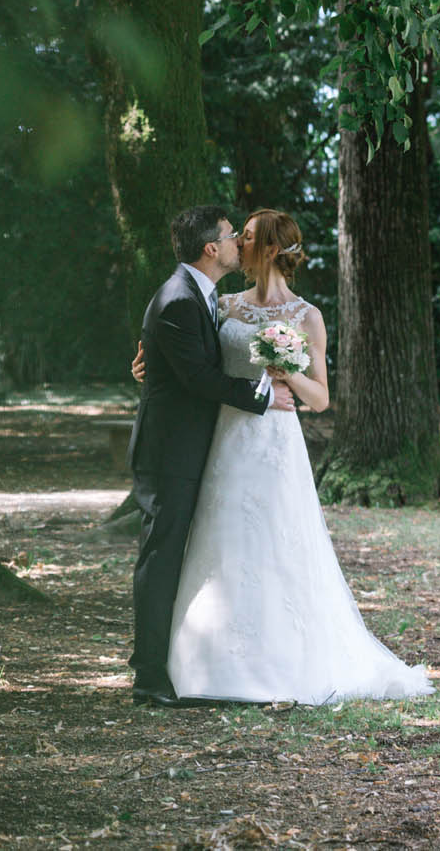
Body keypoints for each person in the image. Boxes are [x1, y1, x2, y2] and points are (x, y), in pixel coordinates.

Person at [133, 208, 435, 704]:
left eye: (247, 237)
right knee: (221, 543)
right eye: (236, 236)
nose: (239, 244)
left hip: (275, 443)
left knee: (275, 545)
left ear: (269, 249)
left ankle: (279, 658)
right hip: (223, 441)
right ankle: (200, 661)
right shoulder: (223, 304)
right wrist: (150, 363)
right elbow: (189, 354)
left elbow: (319, 398)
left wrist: (284, 372)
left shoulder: (305, 316)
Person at [127, 205, 293, 707]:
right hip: (169, 452)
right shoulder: (179, 299)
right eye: (229, 236)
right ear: (210, 248)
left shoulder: (203, 296)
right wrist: (262, 397)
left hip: (195, 446)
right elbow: (198, 377)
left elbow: (187, 359)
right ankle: (150, 677)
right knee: (160, 558)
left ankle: (182, 663)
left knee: (183, 554)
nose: (236, 243)